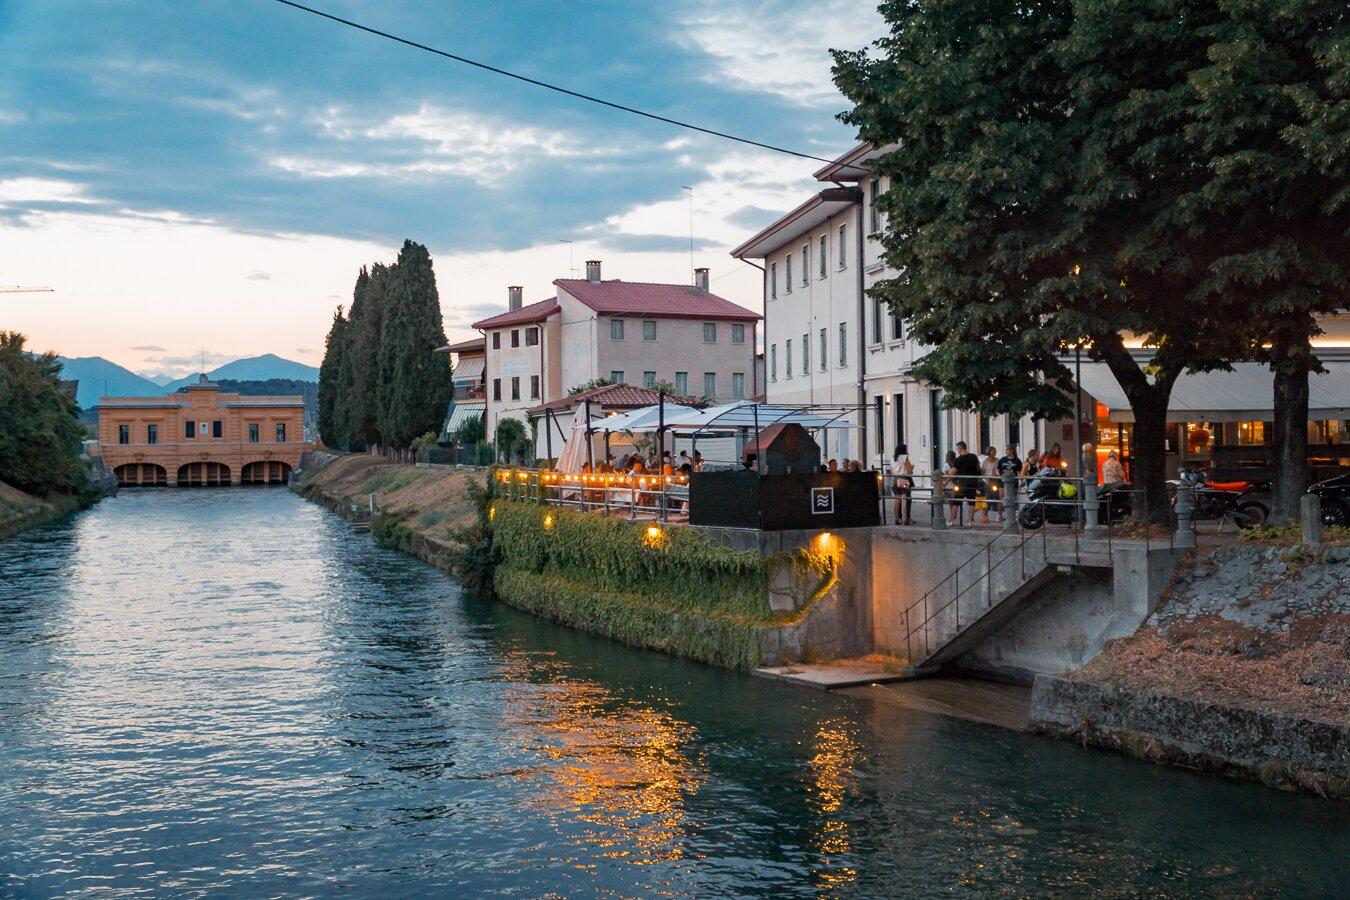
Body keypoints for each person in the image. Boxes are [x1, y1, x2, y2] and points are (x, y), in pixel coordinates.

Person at [952, 441, 982, 526]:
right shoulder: (974, 457)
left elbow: (953, 472)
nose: (957, 450)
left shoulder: (959, 459)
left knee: (956, 502)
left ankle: (951, 520)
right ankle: (970, 521)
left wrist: (946, 481)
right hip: (973, 482)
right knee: (971, 502)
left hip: (962, 483)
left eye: (957, 448)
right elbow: (978, 468)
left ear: (960, 448)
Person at [892, 444, 916, 526]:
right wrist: (912, 468)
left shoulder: (893, 459)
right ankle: (905, 519)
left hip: (895, 479)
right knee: (905, 499)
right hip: (904, 479)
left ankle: (896, 519)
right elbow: (909, 470)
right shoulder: (904, 457)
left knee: (896, 499)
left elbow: (892, 471)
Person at [980, 446, 1000, 524]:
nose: (994, 453)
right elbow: (983, 471)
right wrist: (986, 479)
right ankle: (985, 516)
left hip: (996, 481)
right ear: (989, 453)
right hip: (987, 481)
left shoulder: (998, 460)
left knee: (998, 498)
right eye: (993, 451)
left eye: (995, 451)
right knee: (987, 499)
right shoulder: (985, 461)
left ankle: (999, 515)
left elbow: (999, 470)